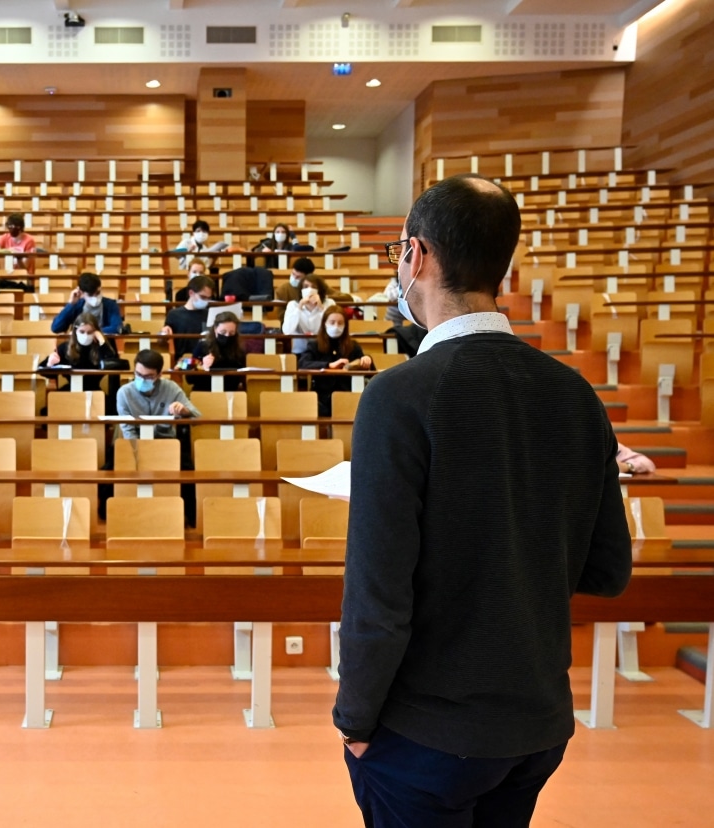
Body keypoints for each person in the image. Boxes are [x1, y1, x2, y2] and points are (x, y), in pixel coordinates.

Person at [334, 173, 632, 827]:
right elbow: (607, 570)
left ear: (415, 254)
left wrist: (354, 721)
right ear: (503, 262)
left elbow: (377, 591)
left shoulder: (398, 396)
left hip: (425, 734)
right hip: (535, 723)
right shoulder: (573, 393)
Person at [113, 349, 201, 524]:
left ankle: (188, 518)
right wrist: (138, 451)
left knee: (188, 470)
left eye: (149, 376)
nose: (142, 380)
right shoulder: (124, 392)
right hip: (135, 441)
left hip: (165, 442)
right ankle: (116, 516)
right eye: (138, 374)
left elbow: (197, 418)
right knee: (110, 466)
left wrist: (184, 411)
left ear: (160, 374)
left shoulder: (172, 388)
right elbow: (127, 428)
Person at [297, 305, 373, 417]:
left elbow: (367, 370)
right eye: (332, 322)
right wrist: (329, 365)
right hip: (321, 397)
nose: (336, 326)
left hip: (347, 395)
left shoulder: (353, 346)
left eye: (340, 323)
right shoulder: (315, 345)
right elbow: (303, 364)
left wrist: (367, 360)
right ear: (324, 324)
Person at [44, 312, 121, 412]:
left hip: (94, 392)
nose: (85, 335)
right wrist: (50, 364)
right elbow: (45, 372)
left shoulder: (101, 348)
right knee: (50, 412)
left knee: (110, 410)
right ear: (75, 331)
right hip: (70, 391)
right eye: (82, 331)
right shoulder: (65, 348)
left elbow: (114, 365)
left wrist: (102, 341)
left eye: (90, 332)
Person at [188, 311, 247, 392]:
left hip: (229, 395)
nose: (227, 336)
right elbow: (189, 379)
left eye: (231, 333)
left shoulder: (239, 351)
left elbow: (239, 378)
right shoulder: (202, 347)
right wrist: (203, 368)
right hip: (203, 394)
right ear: (215, 329)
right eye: (223, 332)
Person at [160, 274, 216, 358]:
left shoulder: (210, 314)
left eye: (208, 298)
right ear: (191, 293)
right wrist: (163, 333)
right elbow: (163, 341)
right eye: (202, 297)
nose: (206, 301)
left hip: (205, 360)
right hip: (181, 361)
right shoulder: (174, 314)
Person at [51, 272, 123, 335]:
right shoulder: (76, 306)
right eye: (91, 295)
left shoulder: (110, 304)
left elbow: (117, 327)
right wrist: (70, 304)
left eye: (97, 293)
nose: (95, 297)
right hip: (79, 346)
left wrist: (89, 331)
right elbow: (56, 328)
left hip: (103, 344)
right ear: (81, 292)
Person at [282, 272, 337, 348]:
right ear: (301, 289)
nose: (309, 289)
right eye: (305, 286)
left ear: (319, 290)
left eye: (313, 287)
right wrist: (299, 307)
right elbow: (287, 331)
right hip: (301, 349)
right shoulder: (293, 305)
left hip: (324, 347)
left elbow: (333, 329)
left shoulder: (330, 303)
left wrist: (321, 308)